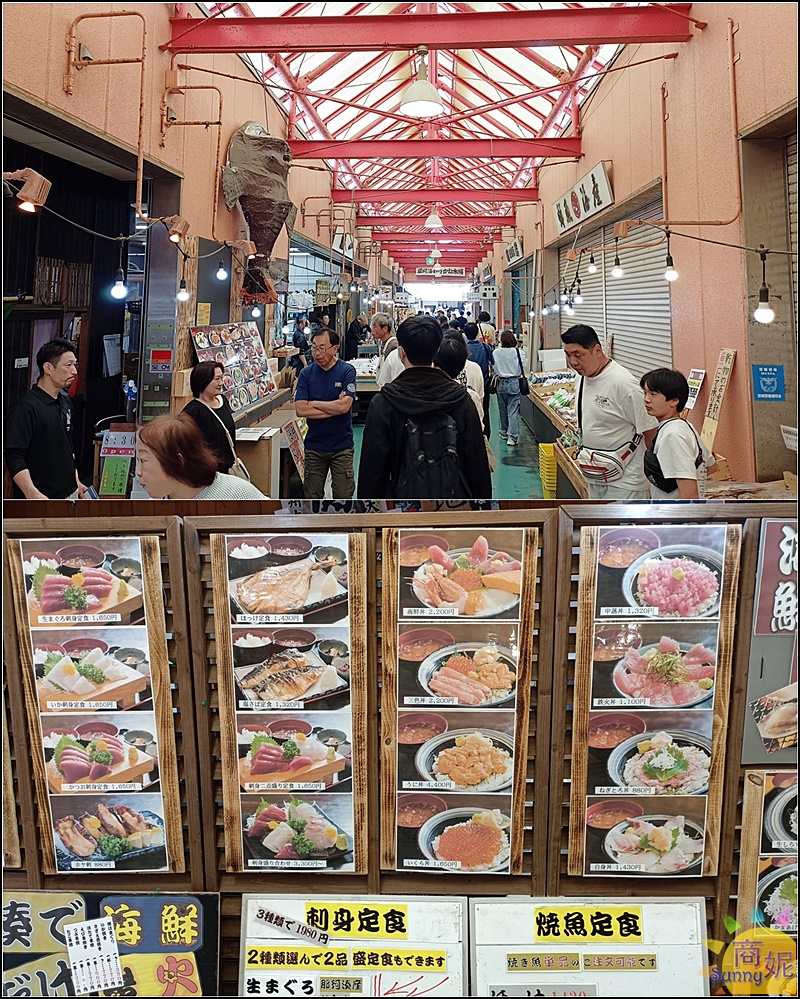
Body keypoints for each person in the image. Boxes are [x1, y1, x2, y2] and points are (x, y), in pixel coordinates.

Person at [357, 314, 491, 500]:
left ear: (401, 352)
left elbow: (372, 472)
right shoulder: (462, 399)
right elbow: (477, 467)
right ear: (436, 352)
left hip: (400, 508)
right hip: (452, 506)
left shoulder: (383, 403)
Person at [561, 324, 658, 499]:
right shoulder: (581, 378)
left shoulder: (624, 384)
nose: (573, 362)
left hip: (626, 482)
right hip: (594, 475)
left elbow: (650, 430)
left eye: (578, 355)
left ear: (597, 350)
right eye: (568, 355)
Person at [4, 337, 89, 499]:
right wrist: (32, 493)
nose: (75, 371)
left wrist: (76, 480)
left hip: (69, 493)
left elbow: (68, 447)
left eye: (75, 365)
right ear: (48, 368)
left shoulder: (65, 402)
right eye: (68, 365)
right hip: (40, 497)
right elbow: (14, 457)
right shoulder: (26, 408)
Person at [136, 415, 267, 499]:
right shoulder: (159, 502)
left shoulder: (237, 494)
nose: (138, 472)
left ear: (178, 461)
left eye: (143, 460)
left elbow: (280, 523)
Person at [294, 328, 357, 499]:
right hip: (314, 446)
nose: (317, 353)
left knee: (343, 496)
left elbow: (345, 407)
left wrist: (314, 403)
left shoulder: (347, 371)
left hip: (342, 446)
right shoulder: (306, 374)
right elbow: (301, 410)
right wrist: (334, 406)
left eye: (322, 348)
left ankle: (343, 527)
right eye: (314, 347)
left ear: (335, 348)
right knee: (312, 496)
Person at [640, 368, 716, 499]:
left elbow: (688, 494)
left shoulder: (673, 435)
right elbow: (711, 466)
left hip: (676, 517)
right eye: (645, 392)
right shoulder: (683, 426)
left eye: (653, 394)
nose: (646, 399)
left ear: (674, 401)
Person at [181, 361, 238, 473]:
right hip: (208, 473)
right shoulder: (193, 411)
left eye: (222, 378)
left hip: (229, 471)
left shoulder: (223, 401)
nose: (221, 383)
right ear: (203, 381)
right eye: (217, 379)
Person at [492, 329, 527, 447]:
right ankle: (512, 437)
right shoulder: (519, 352)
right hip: (514, 382)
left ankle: (503, 432)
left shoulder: (496, 352)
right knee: (513, 410)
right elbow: (523, 366)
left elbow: (492, 366)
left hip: (500, 382)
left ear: (501, 340)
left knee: (502, 409)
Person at [465, 322, 494, 437]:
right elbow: (492, 362)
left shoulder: (464, 348)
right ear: (477, 333)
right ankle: (485, 435)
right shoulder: (485, 347)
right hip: (484, 385)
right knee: (484, 411)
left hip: (468, 385)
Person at [371, 312, 399, 387]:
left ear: (385, 328)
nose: (372, 330)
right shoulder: (382, 343)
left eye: (374, 326)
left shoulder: (393, 345)